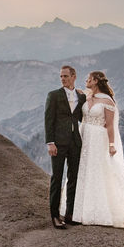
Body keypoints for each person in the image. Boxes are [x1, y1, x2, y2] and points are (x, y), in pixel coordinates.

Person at [71, 70, 124, 234]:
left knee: (99, 172)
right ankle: (81, 211)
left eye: (89, 79)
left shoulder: (107, 101)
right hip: (84, 136)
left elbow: (110, 125)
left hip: (98, 138)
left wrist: (111, 144)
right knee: (84, 171)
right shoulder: (87, 96)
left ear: (96, 81)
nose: (86, 81)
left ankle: (100, 211)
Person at [43, 65, 86, 229]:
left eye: (66, 76)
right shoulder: (53, 95)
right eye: (61, 76)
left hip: (75, 143)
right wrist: (50, 142)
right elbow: (49, 119)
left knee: (73, 179)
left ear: (74, 76)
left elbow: (82, 117)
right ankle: (54, 216)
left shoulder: (80, 97)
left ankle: (70, 214)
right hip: (58, 144)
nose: (62, 79)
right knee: (57, 178)